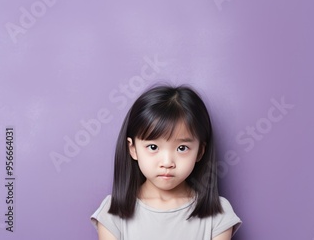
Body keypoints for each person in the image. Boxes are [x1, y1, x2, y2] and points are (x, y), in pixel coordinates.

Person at [91, 85, 241, 240]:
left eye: (182, 148)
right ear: (133, 149)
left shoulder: (217, 213)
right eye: (153, 147)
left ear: (200, 151)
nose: (167, 162)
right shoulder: (113, 212)